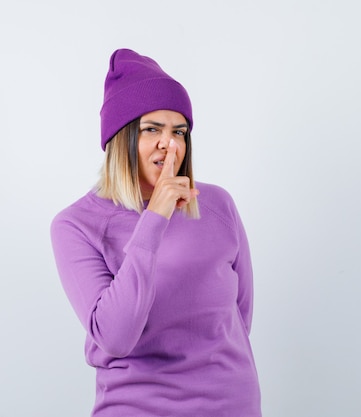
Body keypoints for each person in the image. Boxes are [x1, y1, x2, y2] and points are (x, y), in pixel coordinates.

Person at [50, 48, 261, 416]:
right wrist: (155, 219)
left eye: (179, 131)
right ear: (120, 137)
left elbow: (240, 319)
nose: (171, 144)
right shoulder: (76, 225)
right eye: (152, 129)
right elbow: (115, 336)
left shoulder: (217, 205)